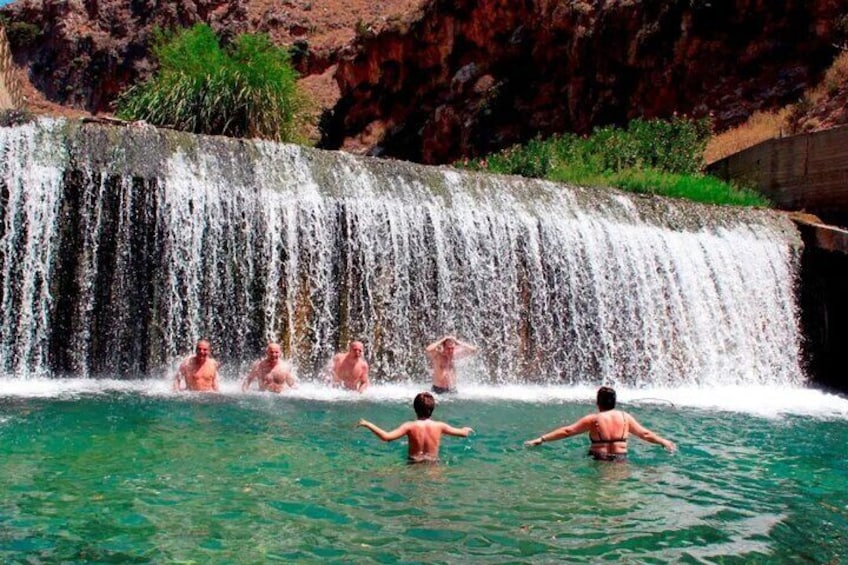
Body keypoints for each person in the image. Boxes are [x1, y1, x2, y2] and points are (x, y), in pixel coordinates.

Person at [524, 386, 676, 461]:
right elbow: (645, 434)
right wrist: (664, 441)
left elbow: (568, 431)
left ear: (598, 402)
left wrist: (542, 439)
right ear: (615, 402)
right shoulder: (625, 417)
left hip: (599, 459)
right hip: (620, 459)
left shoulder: (593, 419)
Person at [358, 392, 474, 463]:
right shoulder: (440, 426)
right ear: (432, 409)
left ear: (415, 408)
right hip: (433, 463)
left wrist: (368, 424)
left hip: (414, 463)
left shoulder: (409, 426)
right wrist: (466, 429)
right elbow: (463, 434)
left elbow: (386, 437)